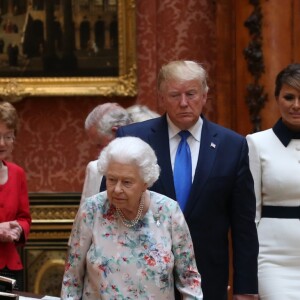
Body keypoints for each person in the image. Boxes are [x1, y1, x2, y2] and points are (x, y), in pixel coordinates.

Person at [114, 60, 259, 300]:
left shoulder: (232, 146)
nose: (183, 103)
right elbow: (111, 209)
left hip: (207, 275)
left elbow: (243, 225)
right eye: (174, 95)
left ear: (204, 96)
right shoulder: (133, 138)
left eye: (191, 94)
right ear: (161, 97)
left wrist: (245, 288)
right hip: (139, 272)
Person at [61, 136, 203, 299]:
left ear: (145, 182)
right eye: (112, 180)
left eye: (127, 182)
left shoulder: (168, 211)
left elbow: (189, 279)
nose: (117, 189)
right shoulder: (91, 210)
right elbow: (71, 279)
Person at [246, 63, 300, 300]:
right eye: (289, 97)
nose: (296, 105)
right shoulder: (257, 143)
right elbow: (251, 213)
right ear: (277, 98)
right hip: (274, 261)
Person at [0, 101, 31, 291]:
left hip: (10, 267)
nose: (2, 143)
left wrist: (19, 229)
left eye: (8, 136)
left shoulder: (17, 173)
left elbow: (25, 218)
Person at [81, 103, 132, 202]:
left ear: (116, 132)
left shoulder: (149, 167)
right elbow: (86, 214)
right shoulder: (95, 170)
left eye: (100, 145)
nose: (98, 153)